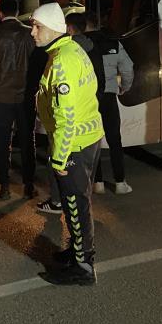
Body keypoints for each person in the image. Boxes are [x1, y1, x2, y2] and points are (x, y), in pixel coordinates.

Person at [30, 3, 104, 285]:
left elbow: (66, 116)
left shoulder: (62, 61)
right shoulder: (71, 51)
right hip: (87, 138)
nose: (33, 33)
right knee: (79, 202)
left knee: (75, 204)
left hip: (74, 144)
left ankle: (83, 267)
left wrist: (59, 159)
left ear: (53, 28)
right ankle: (77, 252)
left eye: (37, 27)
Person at [66, 12, 135, 195]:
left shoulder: (78, 44)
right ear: (98, 23)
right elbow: (128, 68)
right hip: (109, 97)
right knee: (114, 139)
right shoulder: (113, 43)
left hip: (88, 98)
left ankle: (98, 182)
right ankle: (120, 182)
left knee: (92, 139)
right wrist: (124, 87)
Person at [0, 0, 36, 199]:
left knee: (2, 142)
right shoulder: (30, 35)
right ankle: (29, 184)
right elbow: (37, 68)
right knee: (28, 141)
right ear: (18, 12)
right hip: (26, 97)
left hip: (1, 97)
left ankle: (4, 186)